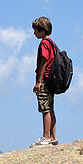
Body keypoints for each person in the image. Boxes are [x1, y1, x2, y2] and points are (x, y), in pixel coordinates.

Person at [31, 16, 58, 147]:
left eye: (35, 30)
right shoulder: (52, 43)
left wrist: (38, 81)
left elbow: (43, 61)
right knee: (50, 108)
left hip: (45, 79)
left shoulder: (43, 44)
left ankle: (46, 137)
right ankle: (53, 137)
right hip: (52, 80)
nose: (34, 33)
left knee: (45, 109)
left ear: (42, 30)